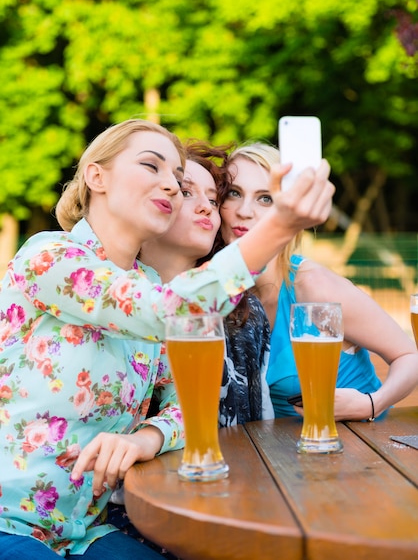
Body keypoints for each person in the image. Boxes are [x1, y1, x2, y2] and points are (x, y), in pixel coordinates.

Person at [0, 119, 334, 559]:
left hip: (83, 530)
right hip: (9, 517)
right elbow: (166, 311)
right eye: (151, 166)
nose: (172, 187)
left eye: (178, 179)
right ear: (96, 177)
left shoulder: (150, 282)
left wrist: (144, 439)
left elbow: (187, 406)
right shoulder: (48, 255)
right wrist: (278, 226)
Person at [219, 141, 418, 421]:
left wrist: (371, 404)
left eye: (265, 198)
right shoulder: (219, 290)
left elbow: (409, 356)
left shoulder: (313, 286)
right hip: (279, 456)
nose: (244, 210)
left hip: (363, 447)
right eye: (234, 193)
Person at [140, 140, 274, 426]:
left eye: (214, 200)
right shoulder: (113, 291)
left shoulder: (245, 310)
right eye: (186, 192)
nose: (206, 208)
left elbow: (256, 421)